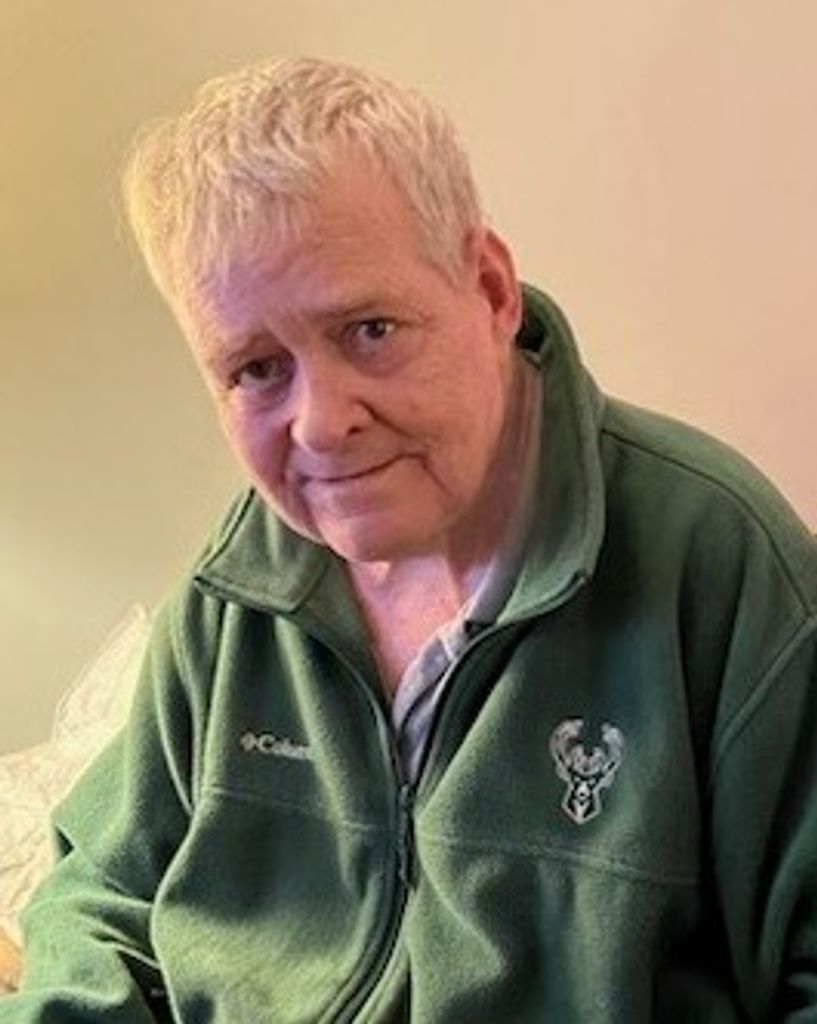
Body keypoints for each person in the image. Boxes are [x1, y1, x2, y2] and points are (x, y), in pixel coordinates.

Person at [3, 56, 817, 1023]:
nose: (320, 424)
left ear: (490, 288)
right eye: (255, 369)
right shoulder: (241, 588)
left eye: (370, 330)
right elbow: (102, 892)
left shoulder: (718, 565)